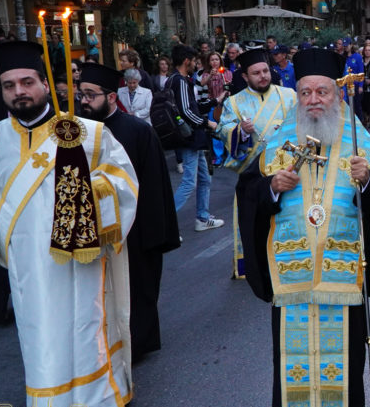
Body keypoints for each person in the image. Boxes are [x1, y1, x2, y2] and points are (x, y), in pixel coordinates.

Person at [0, 41, 138, 407]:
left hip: (80, 258)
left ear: (46, 85)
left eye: (27, 82)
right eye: (9, 86)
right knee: (42, 340)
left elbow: (125, 182)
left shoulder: (86, 132)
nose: (19, 92)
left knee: (85, 331)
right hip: (29, 266)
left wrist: (90, 194)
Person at [236, 47, 370, 407]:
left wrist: (368, 183)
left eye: (322, 92)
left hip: (342, 266)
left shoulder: (358, 141)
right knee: (291, 346)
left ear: (337, 95)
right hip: (291, 264)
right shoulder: (280, 139)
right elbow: (249, 192)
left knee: (343, 350)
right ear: (297, 95)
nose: (314, 100)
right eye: (306, 92)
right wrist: (271, 189)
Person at [78, 62, 180, 360]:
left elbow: (154, 187)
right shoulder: (78, 132)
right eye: (81, 94)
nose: (84, 101)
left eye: (90, 95)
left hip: (135, 231)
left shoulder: (138, 131)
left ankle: (139, 345)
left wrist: (154, 236)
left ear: (111, 97)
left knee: (138, 290)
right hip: (95, 231)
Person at [215, 48, 297, 278]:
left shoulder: (288, 95)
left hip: (287, 171)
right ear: (245, 77)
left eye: (265, 71)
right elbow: (223, 130)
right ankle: (256, 264)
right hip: (254, 174)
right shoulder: (234, 103)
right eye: (256, 73)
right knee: (254, 222)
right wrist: (240, 131)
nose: (263, 76)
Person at [167, 44, 223, 232]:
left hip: (192, 138)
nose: (196, 64)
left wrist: (216, 101)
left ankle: (202, 217)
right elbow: (186, 112)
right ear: (186, 61)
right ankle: (165, 224)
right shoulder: (180, 81)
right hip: (189, 138)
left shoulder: (177, 80)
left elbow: (194, 106)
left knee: (205, 179)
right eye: (194, 61)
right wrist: (207, 123)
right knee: (189, 182)